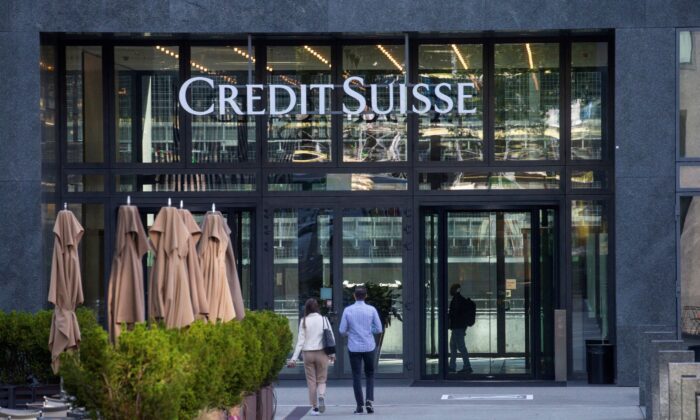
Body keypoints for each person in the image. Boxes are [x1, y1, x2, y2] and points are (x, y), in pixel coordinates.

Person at [287, 298, 335, 416]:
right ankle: (321, 396)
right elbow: (331, 337)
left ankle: (314, 408)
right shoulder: (324, 319)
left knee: (311, 381)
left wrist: (293, 358)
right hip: (322, 353)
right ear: (317, 307)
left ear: (307, 309)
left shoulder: (304, 321)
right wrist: (332, 354)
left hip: (307, 354)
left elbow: (300, 341)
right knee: (322, 379)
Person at [339, 286, 382, 415]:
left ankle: (359, 406)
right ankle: (369, 400)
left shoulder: (348, 310)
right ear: (366, 296)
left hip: (354, 347)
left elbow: (341, 330)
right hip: (369, 346)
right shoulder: (371, 310)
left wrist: (349, 333)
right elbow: (379, 329)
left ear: (354, 296)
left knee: (356, 376)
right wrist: (369, 331)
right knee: (370, 374)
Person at [448, 283, 474, 373]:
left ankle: (467, 366)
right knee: (453, 346)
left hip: (457, 327)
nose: (451, 291)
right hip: (458, 327)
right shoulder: (458, 299)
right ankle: (452, 366)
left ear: (457, 290)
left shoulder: (457, 300)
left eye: (453, 289)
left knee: (460, 347)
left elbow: (455, 315)